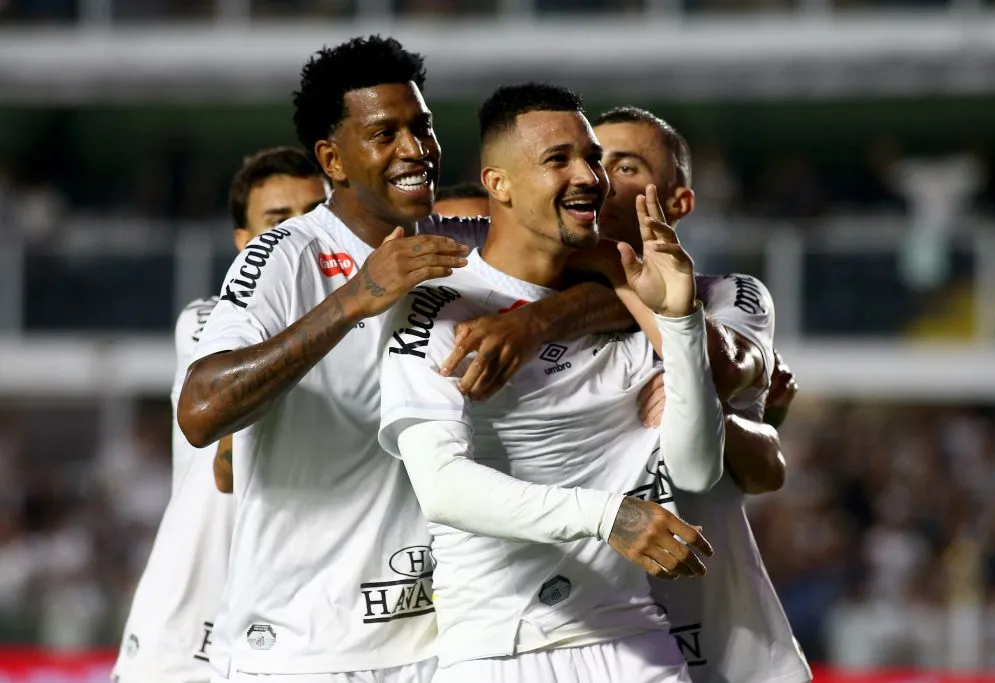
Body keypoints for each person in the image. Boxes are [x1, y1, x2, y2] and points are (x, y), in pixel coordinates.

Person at [177, 39, 675, 683]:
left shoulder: (463, 243)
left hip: (438, 641)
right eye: (385, 134)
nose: (416, 149)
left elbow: (626, 280)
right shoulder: (285, 256)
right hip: (303, 646)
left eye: (423, 125)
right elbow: (200, 411)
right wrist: (355, 297)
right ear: (332, 160)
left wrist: (536, 321)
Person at [378, 83, 724, 683]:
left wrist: (679, 319)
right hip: (499, 648)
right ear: (499, 184)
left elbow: (696, 471)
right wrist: (609, 516)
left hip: (633, 638)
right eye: (557, 160)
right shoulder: (440, 306)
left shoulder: (629, 297)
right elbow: (443, 488)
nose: (589, 176)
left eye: (591, 157)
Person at [591, 105, 812, 683]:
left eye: (627, 167)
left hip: (733, 650)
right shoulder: (527, 314)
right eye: (593, 163)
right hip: (595, 644)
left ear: (680, 201)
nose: (601, 180)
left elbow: (728, 378)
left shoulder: (731, 294)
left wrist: (622, 272)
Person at [112, 147, 327, 683]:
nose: (301, 235)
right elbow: (229, 469)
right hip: (186, 632)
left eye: (315, 214)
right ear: (244, 242)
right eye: (278, 221)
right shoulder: (207, 324)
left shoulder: (356, 330)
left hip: (292, 627)